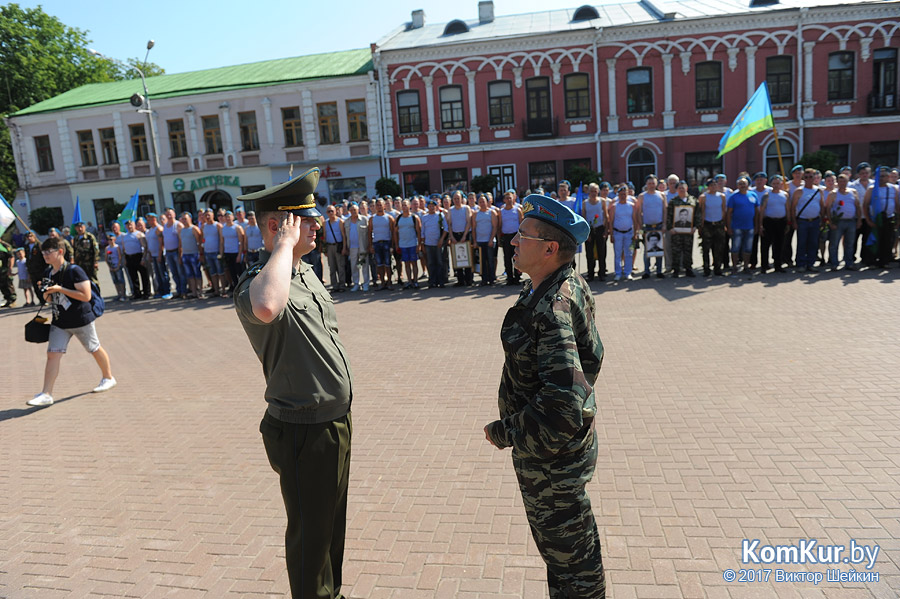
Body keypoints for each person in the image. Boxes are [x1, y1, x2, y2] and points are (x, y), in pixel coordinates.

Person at [233, 168, 353, 599]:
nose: (318, 224)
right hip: (304, 428)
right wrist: (282, 244)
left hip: (334, 421)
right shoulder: (258, 282)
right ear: (275, 225)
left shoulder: (302, 272)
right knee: (310, 537)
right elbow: (266, 308)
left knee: (331, 527)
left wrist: (290, 249)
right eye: (305, 220)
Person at [484, 193, 605, 599]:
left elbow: (563, 401)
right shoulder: (559, 285)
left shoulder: (553, 305)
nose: (514, 241)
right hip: (554, 456)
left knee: (576, 570)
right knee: (565, 561)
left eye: (524, 235)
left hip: (552, 463)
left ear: (550, 248)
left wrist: (507, 431)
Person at [27, 237, 116, 407]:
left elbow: (85, 296)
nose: (45, 255)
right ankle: (46, 393)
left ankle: (108, 377)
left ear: (60, 252)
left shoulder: (75, 271)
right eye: (44, 252)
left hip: (80, 319)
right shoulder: (48, 272)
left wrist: (61, 289)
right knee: (52, 354)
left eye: (49, 252)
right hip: (60, 321)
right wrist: (46, 292)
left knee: (94, 348)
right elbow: (49, 300)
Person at [862, 166, 899, 269]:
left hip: (888, 219)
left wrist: (898, 220)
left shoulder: (893, 188)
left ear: (888, 177)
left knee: (887, 241)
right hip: (875, 219)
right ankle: (871, 262)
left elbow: (896, 205)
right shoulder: (872, 189)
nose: (882, 178)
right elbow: (865, 205)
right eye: (880, 176)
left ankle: (884, 261)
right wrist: (868, 220)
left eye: (884, 176)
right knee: (874, 240)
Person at [791, 168, 825, 272]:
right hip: (802, 221)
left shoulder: (819, 191)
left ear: (815, 177)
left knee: (813, 243)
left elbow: (822, 206)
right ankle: (800, 264)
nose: (809, 179)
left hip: (815, 221)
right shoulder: (799, 191)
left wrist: (823, 220)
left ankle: (811, 263)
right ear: (803, 178)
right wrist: (794, 222)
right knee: (801, 243)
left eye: (811, 177)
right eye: (806, 177)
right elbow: (793, 207)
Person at [825, 173, 862, 270]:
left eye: (844, 181)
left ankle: (849, 263)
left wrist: (858, 220)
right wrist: (831, 222)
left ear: (847, 182)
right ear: (837, 182)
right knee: (834, 244)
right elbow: (828, 208)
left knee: (849, 244)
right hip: (838, 222)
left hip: (851, 221)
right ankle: (834, 263)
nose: (842, 183)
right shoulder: (833, 194)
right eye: (840, 181)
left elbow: (858, 207)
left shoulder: (853, 192)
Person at [726, 176, 759, 277]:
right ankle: (735, 267)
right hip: (737, 227)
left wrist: (757, 226)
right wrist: (728, 227)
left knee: (748, 248)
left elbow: (757, 212)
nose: (742, 185)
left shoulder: (753, 195)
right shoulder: (733, 197)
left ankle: (746, 267)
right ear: (737, 186)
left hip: (750, 227)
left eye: (744, 183)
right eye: (740, 184)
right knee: (735, 248)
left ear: (748, 185)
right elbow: (729, 213)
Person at [667, 180, 700, 277]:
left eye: (683, 187)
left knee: (688, 250)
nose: (681, 189)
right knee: (676, 250)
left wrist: (695, 227)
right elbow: (669, 216)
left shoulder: (693, 200)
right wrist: (670, 228)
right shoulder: (673, 202)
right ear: (676, 190)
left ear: (687, 188)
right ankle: (676, 270)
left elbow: (698, 214)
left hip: (689, 230)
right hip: (676, 231)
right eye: (679, 188)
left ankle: (688, 269)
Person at [636, 175, 667, 279]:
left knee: (659, 249)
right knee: (647, 251)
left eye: (653, 183)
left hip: (659, 226)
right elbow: (638, 212)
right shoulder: (642, 196)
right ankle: (647, 271)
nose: (651, 185)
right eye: (649, 183)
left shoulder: (661, 195)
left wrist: (664, 224)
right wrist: (640, 226)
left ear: (656, 184)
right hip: (647, 227)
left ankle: (659, 271)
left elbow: (665, 211)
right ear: (646, 184)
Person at [758, 175, 789, 273]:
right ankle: (764, 266)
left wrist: (788, 223)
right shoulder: (766, 195)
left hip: (781, 222)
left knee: (779, 244)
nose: (776, 185)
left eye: (778, 183)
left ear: (781, 184)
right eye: (774, 183)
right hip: (769, 221)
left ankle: (778, 265)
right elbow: (762, 210)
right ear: (771, 184)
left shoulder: (785, 195)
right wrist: (760, 225)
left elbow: (788, 209)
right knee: (765, 245)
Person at [608, 184, 638, 281]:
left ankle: (628, 273)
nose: (623, 196)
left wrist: (636, 233)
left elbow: (635, 220)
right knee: (617, 254)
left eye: (624, 194)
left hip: (629, 233)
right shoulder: (614, 206)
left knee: (629, 253)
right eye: (621, 194)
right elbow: (611, 221)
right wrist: (611, 234)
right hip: (617, 233)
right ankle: (618, 273)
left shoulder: (631, 206)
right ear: (618, 195)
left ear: (627, 194)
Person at [698, 178, 727, 276]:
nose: (714, 187)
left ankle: (717, 268)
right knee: (706, 248)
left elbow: (724, 210)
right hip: (707, 225)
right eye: (711, 185)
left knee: (718, 248)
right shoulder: (703, 197)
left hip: (718, 224)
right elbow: (701, 211)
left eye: (715, 185)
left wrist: (724, 224)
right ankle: (706, 269)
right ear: (708, 186)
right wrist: (700, 227)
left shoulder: (721, 196)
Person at [582, 183, 608, 281]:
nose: (594, 193)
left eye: (595, 191)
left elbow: (606, 216)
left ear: (598, 191)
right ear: (588, 192)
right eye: (592, 191)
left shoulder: (602, 201)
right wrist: (586, 233)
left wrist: (606, 230)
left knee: (602, 252)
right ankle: (590, 274)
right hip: (589, 230)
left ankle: (602, 273)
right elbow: (584, 218)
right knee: (589, 253)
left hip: (600, 228)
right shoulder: (585, 203)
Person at [420, 198, 448, 288]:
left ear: (436, 207)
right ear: (427, 207)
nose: (431, 208)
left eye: (433, 206)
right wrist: (422, 243)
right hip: (428, 243)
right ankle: (432, 281)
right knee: (431, 263)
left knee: (440, 262)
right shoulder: (424, 217)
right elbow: (422, 232)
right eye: (429, 206)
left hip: (438, 243)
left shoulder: (440, 216)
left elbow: (446, 229)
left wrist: (441, 239)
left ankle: (441, 281)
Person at [394, 199, 422, 289]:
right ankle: (409, 281)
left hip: (413, 244)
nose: (404, 207)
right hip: (403, 244)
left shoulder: (414, 218)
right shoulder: (398, 218)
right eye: (403, 205)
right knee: (406, 264)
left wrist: (419, 245)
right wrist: (397, 244)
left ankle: (416, 281)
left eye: (406, 205)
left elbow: (419, 232)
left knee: (414, 263)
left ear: (410, 206)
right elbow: (395, 232)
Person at [342, 201, 369, 291]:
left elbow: (369, 234)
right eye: (352, 210)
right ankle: (356, 284)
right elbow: (345, 236)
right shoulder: (346, 222)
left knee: (364, 266)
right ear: (349, 211)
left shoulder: (364, 220)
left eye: (355, 209)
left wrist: (369, 246)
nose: (354, 211)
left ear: (358, 210)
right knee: (354, 266)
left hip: (363, 247)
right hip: (352, 248)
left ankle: (366, 284)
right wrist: (345, 247)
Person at [448, 191, 474, 286]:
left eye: (458, 198)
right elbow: (449, 225)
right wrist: (452, 237)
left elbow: (468, 222)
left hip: (465, 234)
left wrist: (464, 236)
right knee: (457, 258)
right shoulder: (451, 210)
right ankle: (460, 280)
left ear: (461, 199)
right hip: (455, 235)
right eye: (454, 199)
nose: (456, 200)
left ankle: (469, 280)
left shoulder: (466, 208)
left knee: (467, 257)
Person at [369, 199, 395, 290]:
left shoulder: (389, 218)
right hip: (376, 243)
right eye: (377, 205)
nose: (379, 207)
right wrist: (370, 245)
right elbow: (369, 232)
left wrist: (393, 245)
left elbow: (393, 232)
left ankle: (389, 283)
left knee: (388, 264)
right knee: (379, 264)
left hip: (386, 243)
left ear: (384, 206)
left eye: (381, 205)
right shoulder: (372, 218)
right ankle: (382, 283)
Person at [499, 190, 523, 285]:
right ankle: (509, 278)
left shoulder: (517, 210)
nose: (509, 200)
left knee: (516, 257)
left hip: (516, 236)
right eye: (507, 198)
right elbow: (499, 225)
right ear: (504, 200)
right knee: (507, 258)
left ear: (513, 199)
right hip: (506, 237)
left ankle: (517, 278)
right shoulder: (501, 211)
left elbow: (522, 224)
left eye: (510, 198)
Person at [179, 212, 205, 299]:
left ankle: (200, 291)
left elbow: (199, 242)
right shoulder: (182, 230)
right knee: (190, 275)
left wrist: (200, 254)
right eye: (182, 219)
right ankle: (194, 292)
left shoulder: (194, 229)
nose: (184, 221)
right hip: (185, 255)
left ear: (190, 218)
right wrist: (181, 255)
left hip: (194, 254)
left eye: (185, 219)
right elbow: (181, 244)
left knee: (197, 273)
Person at [121, 220, 150, 300]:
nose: (129, 227)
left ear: (134, 225)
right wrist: (126, 259)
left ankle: (146, 293)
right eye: (128, 225)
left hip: (138, 256)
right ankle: (137, 293)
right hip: (129, 257)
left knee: (144, 276)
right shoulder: (125, 236)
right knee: (133, 277)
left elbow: (145, 247)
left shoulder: (139, 234)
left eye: (131, 225)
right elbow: (124, 248)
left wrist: (143, 258)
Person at [162, 209, 186, 298]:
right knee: (174, 273)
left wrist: (180, 253)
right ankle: (178, 291)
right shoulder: (165, 226)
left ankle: (184, 291)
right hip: (168, 252)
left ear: (174, 214)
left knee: (181, 273)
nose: (169, 216)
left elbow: (181, 240)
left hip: (176, 252)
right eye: (167, 214)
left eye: (170, 214)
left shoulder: (178, 225)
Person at [323, 205, 346, 292]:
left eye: (332, 211)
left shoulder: (340, 222)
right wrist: (325, 249)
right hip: (329, 247)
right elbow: (324, 236)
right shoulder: (325, 223)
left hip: (338, 246)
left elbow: (344, 236)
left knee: (340, 266)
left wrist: (344, 248)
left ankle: (342, 285)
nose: (330, 213)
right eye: (328, 211)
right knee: (332, 267)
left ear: (335, 211)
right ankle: (334, 286)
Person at [221, 211, 246, 292]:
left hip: (236, 253)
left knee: (240, 272)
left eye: (229, 216)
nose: (228, 218)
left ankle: (244, 289)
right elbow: (222, 242)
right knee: (232, 273)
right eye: (226, 217)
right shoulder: (223, 228)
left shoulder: (237, 228)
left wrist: (239, 255)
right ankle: (236, 290)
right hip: (228, 253)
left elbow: (241, 242)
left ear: (233, 217)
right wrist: (221, 254)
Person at [72, 220, 100, 285]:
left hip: (89, 263)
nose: (80, 229)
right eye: (78, 227)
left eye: (81, 227)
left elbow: (96, 250)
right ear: (75, 229)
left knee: (93, 280)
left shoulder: (90, 237)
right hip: (80, 264)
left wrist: (96, 261)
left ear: (84, 227)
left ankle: (96, 294)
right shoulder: (76, 238)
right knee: (83, 280)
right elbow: (74, 250)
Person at [105, 233, 127, 301]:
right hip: (111, 266)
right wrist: (109, 267)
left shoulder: (117, 247)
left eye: (111, 239)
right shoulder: (107, 248)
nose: (110, 241)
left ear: (114, 240)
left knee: (120, 280)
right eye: (109, 240)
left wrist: (118, 266)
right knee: (115, 281)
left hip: (117, 265)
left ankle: (123, 294)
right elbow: (106, 258)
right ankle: (119, 294)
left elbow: (120, 257)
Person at [0, 237, 15, 307]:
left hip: (5, 269)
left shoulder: (5, 246)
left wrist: (10, 268)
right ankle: (8, 300)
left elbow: (11, 257)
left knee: (8, 284)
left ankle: (13, 300)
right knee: (2, 286)